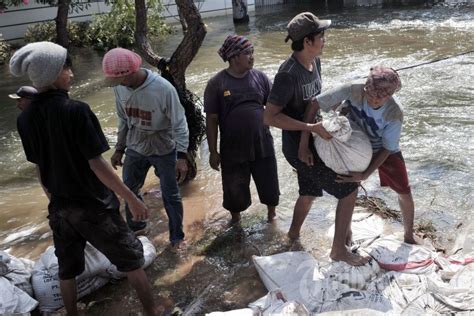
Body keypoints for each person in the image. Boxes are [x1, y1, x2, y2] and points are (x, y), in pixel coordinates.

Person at [9, 41, 163, 315]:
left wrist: (53, 200)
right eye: (66, 68)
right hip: (93, 207)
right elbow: (97, 165)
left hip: (60, 209)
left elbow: (40, 167)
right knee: (131, 261)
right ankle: (153, 312)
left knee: (67, 269)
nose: (71, 73)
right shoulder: (76, 110)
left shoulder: (25, 118)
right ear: (54, 73)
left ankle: (72, 314)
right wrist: (132, 199)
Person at [264, 12, 369, 266]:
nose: (324, 40)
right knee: (349, 191)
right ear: (307, 41)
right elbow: (269, 117)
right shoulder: (287, 75)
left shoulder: (315, 63)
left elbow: (314, 102)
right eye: (321, 36)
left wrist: (333, 111)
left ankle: (292, 235)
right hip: (297, 146)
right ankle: (339, 251)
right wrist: (309, 129)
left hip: (312, 140)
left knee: (309, 192)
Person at [312, 66, 422, 245]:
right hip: (352, 142)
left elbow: (387, 148)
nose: (375, 100)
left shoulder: (394, 112)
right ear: (365, 88)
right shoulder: (353, 89)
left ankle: (409, 234)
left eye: (381, 97)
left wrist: (366, 174)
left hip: (382, 148)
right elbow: (316, 102)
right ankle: (346, 233)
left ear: (391, 95)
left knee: (403, 190)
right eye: (371, 95)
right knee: (348, 189)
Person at [102, 48, 188, 249]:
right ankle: (137, 229)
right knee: (129, 189)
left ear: (130, 72)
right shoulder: (120, 88)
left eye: (120, 80)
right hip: (136, 142)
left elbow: (179, 122)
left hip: (163, 143)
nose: (118, 84)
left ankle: (177, 237)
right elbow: (123, 119)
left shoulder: (163, 89)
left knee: (171, 194)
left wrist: (182, 155)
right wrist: (119, 148)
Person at [204, 35, 280, 225]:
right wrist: (213, 151)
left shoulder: (260, 77)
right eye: (248, 53)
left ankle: (272, 216)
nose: (252, 57)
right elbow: (212, 119)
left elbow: (274, 107)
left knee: (269, 184)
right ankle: (236, 220)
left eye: (252, 52)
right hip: (233, 148)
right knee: (234, 190)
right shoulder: (217, 83)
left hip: (262, 143)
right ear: (234, 56)